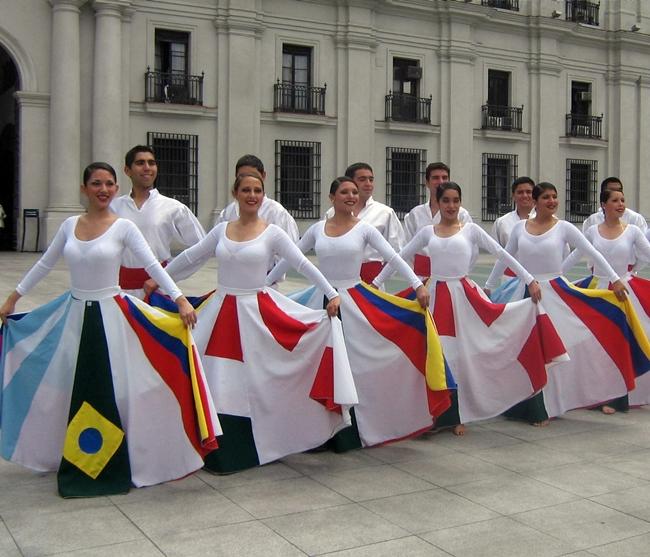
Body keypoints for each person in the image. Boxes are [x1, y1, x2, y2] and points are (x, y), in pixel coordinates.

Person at [0, 162, 218, 497]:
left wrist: (180, 300)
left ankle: (127, 453)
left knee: (121, 384)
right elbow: (45, 263)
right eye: (96, 183)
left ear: (116, 189)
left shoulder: (124, 227)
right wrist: (13, 298)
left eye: (109, 184)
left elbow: (150, 265)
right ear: (84, 188)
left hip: (113, 314)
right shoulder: (70, 226)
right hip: (74, 314)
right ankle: (74, 453)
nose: (103, 190)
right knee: (69, 381)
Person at [147, 173, 358, 473]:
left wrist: (330, 293)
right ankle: (219, 447)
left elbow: (301, 262)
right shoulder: (221, 231)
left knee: (258, 379)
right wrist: (160, 281)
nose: (252, 195)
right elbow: (191, 256)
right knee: (218, 377)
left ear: (263, 195)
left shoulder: (272, 233)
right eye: (246, 190)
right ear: (235, 193)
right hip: (221, 310)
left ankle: (263, 440)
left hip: (256, 313)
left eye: (257, 190)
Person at [266, 176, 451, 451]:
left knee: (354, 366)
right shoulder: (318, 229)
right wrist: (266, 283)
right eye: (344, 192)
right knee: (320, 364)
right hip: (322, 301)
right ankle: (318, 429)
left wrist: (416, 286)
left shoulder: (364, 229)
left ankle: (352, 429)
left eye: (354, 192)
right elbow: (293, 259)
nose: (351, 196)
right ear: (332, 198)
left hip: (353, 302)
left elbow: (394, 256)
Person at [375, 182, 567, 436]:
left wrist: (529, 279)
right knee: (439, 353)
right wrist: (377, 284)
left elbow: (503, 254)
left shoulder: (471, 230)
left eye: (456, 201)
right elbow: (398, 257)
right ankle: (438, 415)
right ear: (439, 202)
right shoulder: (427, 233)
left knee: (462, 355)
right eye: (446, 201)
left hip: (464, 297)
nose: (451, 206)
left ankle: (458, 415)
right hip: (434, 297)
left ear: (461, 203)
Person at [486, 182, 650, 425]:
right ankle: (528, 406)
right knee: (530, 348)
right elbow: (504, 257)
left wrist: (615, 279)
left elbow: (593, 254)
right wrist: (488, 287)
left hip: (555, 294)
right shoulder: (520, 229)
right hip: (528, 294)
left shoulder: (564, 228)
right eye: (546, 197)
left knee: (557, 350)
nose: (552, 201)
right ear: (536, 201)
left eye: (555, 197)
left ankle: (552, 404)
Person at [563, 187, 650, 412]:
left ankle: (621, 396)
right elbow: (576, 254)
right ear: (604, 205)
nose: (621, 204)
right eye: (615, 200)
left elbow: (647, 254)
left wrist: (631, 274)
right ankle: (600, 394)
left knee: (624, 342)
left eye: (622, 199)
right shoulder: (592, 231)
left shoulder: (632, 231)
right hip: (598, 291)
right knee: (597, 347)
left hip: (624, 292)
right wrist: (557, 277)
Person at [111, 145, 206, 297]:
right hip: (120, 292)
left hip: (158, 292)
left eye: (151, 163)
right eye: (140, 163)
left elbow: (203, 248)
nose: (147, 167)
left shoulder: (173, 208)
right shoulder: (114, 207)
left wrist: (166, 275)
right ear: (127, 170)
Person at [325, 163, 405, 283]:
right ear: (350, 182)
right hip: (339, 279)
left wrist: (379, 279)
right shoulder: (331, 214)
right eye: (362, 179)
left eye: (371, 179)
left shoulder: (385, 213)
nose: (368, 184)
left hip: (373, 281)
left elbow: (397, 250)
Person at [403, 162, 472, 277]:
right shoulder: (415, 214)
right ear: (427, 183)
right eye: (435, 178)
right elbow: (406, 249)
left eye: (444, 178)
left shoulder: (462, 215)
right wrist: (415, 280)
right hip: (420, 277)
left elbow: (471, 250)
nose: (440, 181)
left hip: (451, 276)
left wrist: (459, 274)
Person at [214, 154, 299, 242]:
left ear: (263, 176)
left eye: (253, 176)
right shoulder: (227, 214)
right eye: (243, 176)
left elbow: (292, 249)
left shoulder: (277, 213)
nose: (249, 180)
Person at [581, 177, 647, 233]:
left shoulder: (635, 219)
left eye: (619, 190)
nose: (616, 193)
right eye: (612, 190)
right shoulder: (592, 220)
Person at [491, 177, 536, 248]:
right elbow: (496, 251)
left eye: (528, 192)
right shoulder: (501, 223)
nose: (524, 195)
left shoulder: (548, 221)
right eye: (520, 192)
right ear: (513, 196)